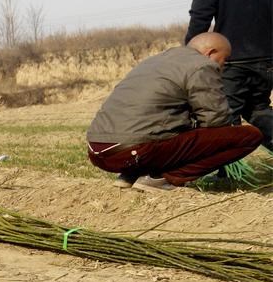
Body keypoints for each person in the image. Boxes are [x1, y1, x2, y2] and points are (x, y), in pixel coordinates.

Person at [86, 33, 262, 192]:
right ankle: (161, 179)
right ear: (211, 52)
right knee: (248, 135)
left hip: (99, 152)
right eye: (225, 59)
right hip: (134, 152)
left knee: (168, 129)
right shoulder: (202, 65)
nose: (224, 65)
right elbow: (215, 121)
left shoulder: (154, 61)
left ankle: (131, 175)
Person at [185, 0, 273, 151]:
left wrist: (188, 56)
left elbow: (200, 17)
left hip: (230, 59)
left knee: (224, 116)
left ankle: (227, 174)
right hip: (270, 58)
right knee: (257, 108)